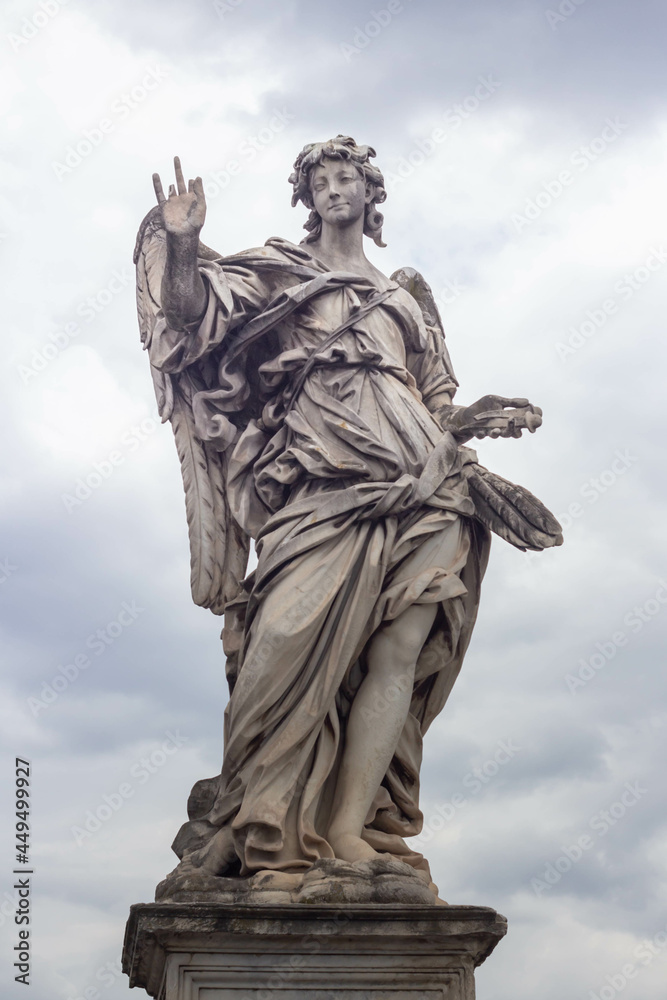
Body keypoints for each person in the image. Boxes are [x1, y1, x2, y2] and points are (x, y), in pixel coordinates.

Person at [138, 136, 557, 885]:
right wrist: (182, 240)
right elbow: (189, 314)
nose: (335, 189)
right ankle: (262, 818)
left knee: (398, 652)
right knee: (281, 646)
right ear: (307, 198)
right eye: (321, 180)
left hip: (426, 483)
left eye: (347, 178)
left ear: (370, 195)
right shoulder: (277, 269)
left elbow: (435, 400)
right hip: (320, 481)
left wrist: (470, 420)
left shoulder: (405, 294)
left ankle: (349, 828)